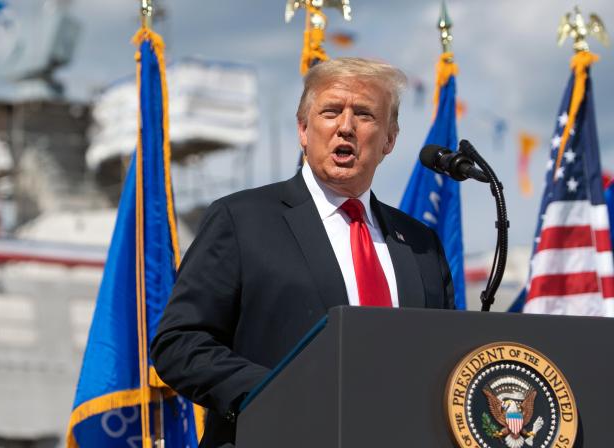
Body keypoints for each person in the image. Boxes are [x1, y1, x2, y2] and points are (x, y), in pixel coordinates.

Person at [150, 57, 455, 447]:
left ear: (389, 139)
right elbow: (179, 343)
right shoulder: (241, 220)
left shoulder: (421, 244)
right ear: (303, 130)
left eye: (364, 115)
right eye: (331, 112)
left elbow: (442, 360)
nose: (346, 126)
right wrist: (273, 392)